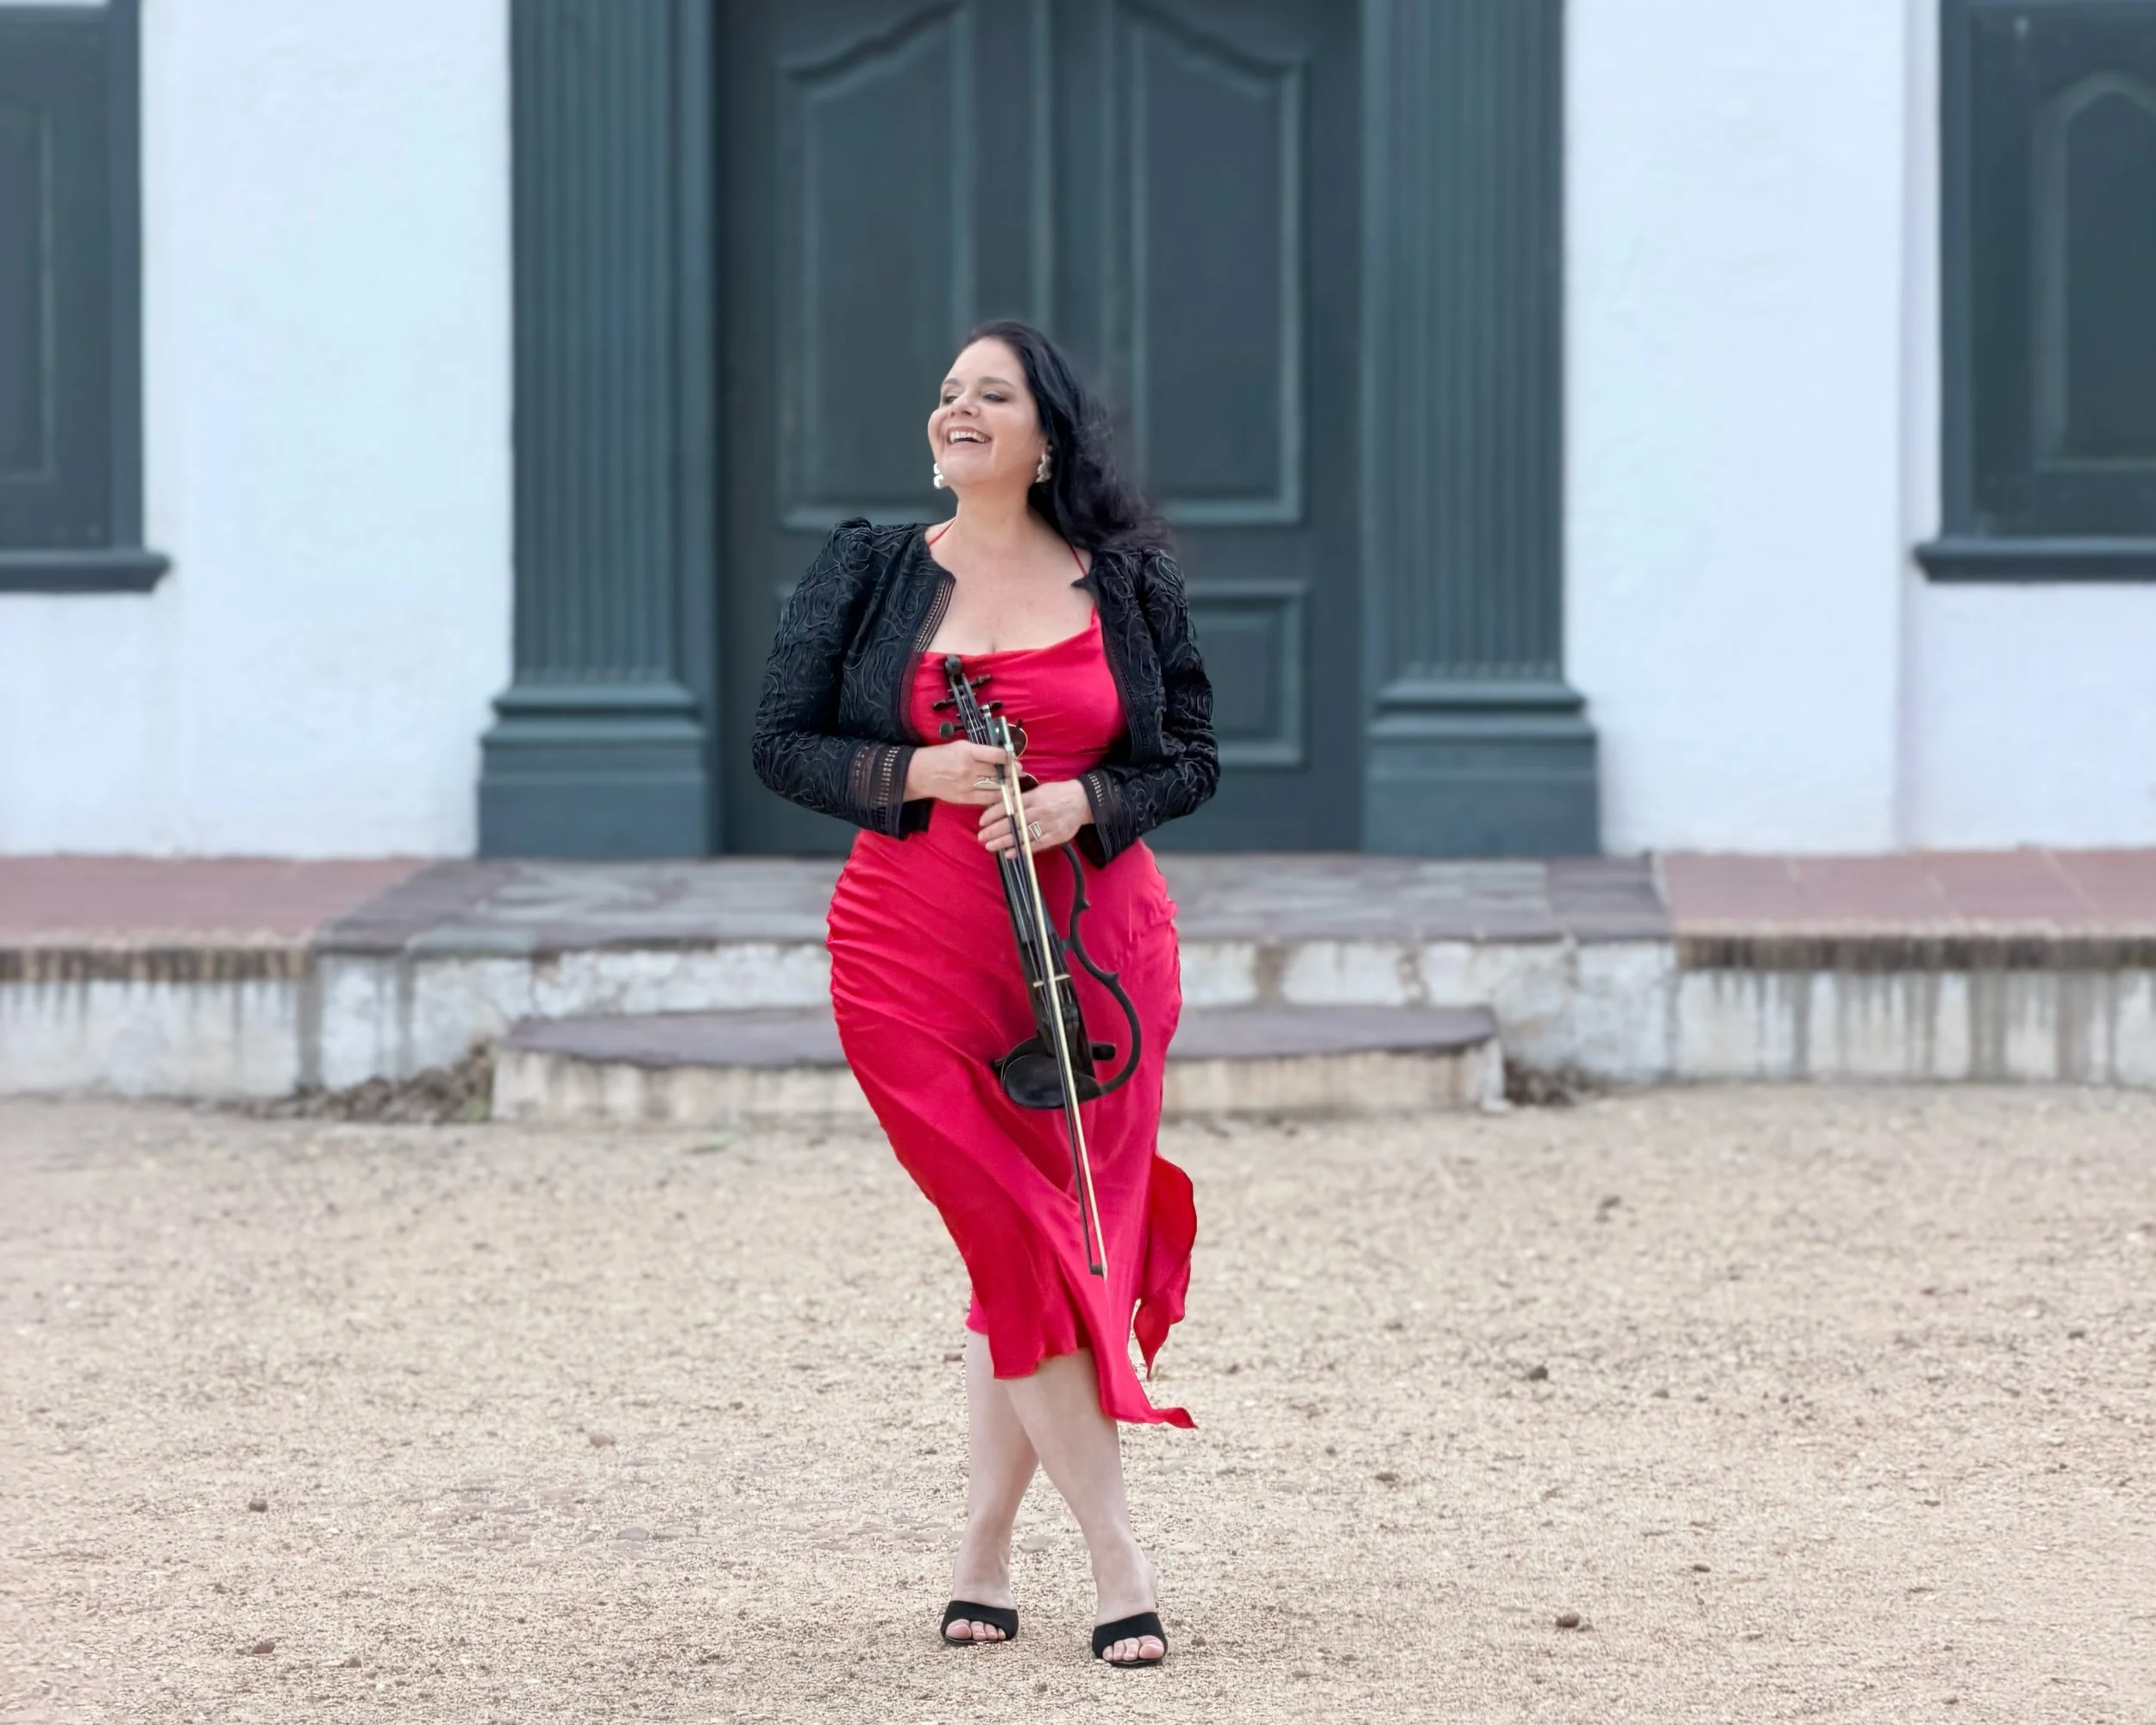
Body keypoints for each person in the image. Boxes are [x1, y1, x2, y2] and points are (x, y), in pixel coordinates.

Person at [751, 320, 1217, 1667]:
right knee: (1013, 1233)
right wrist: (919, 773)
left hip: (1099, 957)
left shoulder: (1125, 583)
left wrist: (1085, 802)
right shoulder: (869, 570)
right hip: (912, 956)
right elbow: (782, 742)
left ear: (1046, 438)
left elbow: (1192, 757)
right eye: (948, 392)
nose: (958, 408)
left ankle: (981, 1551)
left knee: (1047, 1252)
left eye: (991, 395)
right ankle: (1119, 1556)